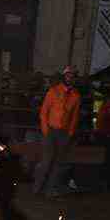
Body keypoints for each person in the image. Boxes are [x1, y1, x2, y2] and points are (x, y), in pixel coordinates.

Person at [33, 66, 81, 197]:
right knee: (47, 161)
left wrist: (70, 133)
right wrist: (46, 130)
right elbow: (44, 112)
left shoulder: (76, 96)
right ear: (64, 76)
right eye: (68, 75)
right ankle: (38, 188)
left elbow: (74, 117)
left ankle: (49, 190)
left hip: (63, 133)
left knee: (57, 163)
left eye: (72, 76)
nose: (70, 78)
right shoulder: (53, 91)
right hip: (51, 130)